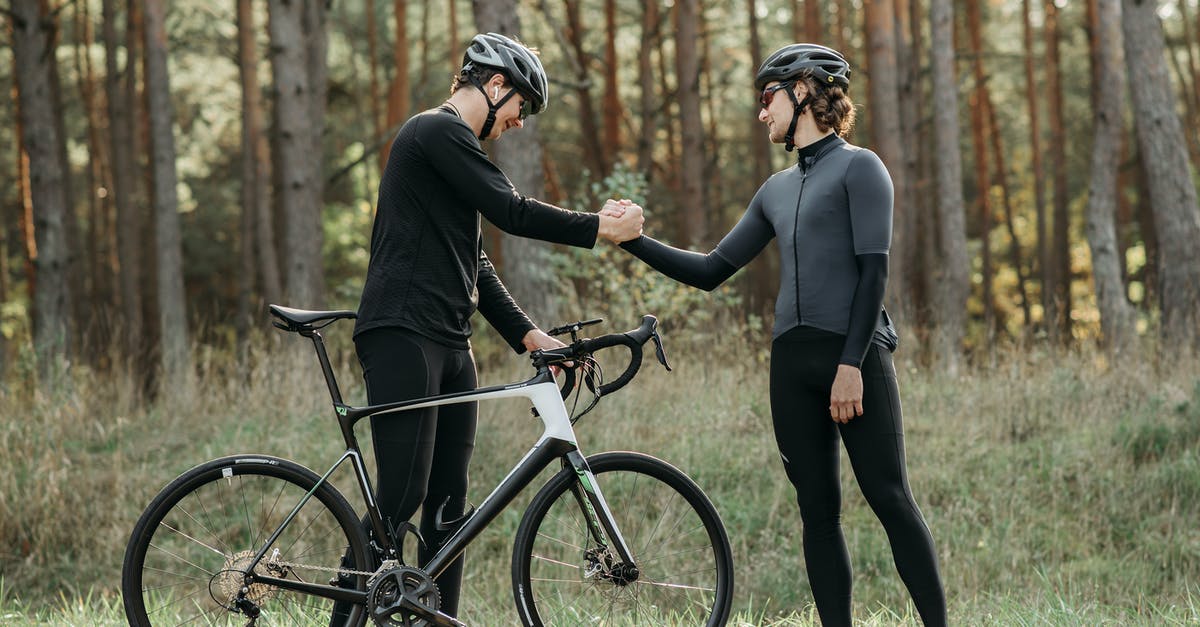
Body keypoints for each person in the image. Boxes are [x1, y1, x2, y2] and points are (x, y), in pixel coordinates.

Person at [604, 43, 946, 626]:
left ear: (805, 90)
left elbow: (874, 273)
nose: (761, 113)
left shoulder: (862, 167)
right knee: (817, 512)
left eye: (768, 98)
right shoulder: (775, 189)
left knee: (890, 499)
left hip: (852, 357)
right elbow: (712, 270)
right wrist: (631, 241)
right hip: (790, 366)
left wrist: (850, 365)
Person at [338, 32, 643, 623]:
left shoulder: (456, 154)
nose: (520, 123)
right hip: (402, 331)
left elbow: (475, 263)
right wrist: (601, 229)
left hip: (451, 342)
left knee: (450, 509)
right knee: (399, 500)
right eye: (521, 107)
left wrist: (533, 337)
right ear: (495, 85)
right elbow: (513, 211)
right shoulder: (436, 130)